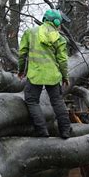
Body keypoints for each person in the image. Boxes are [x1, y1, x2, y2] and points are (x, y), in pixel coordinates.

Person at [18, 9, 71, 139]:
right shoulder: (60, 38)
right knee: (57, 102)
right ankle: (65, 131)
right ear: (56, 22)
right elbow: (63, 61)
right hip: (53, 76)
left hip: (35, 74)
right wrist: (65, 76)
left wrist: (21, 71)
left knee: (31, 100)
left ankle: (42, 131)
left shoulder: (30, 33)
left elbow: (22, 53)